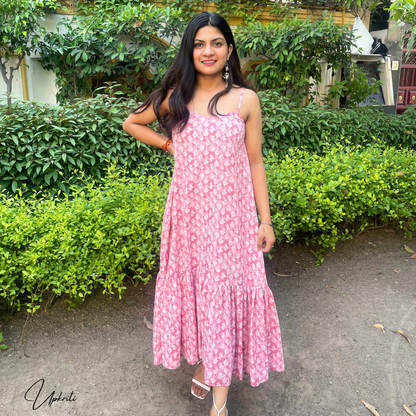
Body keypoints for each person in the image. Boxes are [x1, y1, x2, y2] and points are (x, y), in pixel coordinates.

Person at [123, 11, 284, 416]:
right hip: (189, 217)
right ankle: (206, 360)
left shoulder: (246, 101)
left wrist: (265, 221)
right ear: (189, 51)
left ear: (229, 50)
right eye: (198, 44)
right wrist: (169, 146)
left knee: (222, 294)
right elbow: (132, 123)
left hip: (232, 220)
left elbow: (255, 163)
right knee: (198, 292)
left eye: (216, 43)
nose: (207, 51)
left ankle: (220, 404)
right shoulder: (175, 96)